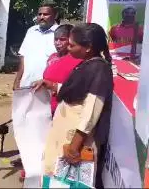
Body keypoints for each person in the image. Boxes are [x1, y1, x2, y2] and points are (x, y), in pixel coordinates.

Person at [41, 23, 113, 188]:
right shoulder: (87, 63)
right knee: (56, 178)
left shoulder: (99, 69)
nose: (68, 47)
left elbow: (91, 111)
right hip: (65, 133)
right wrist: (52, 85)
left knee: (68, 182)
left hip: (74, 138)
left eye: (72, 45)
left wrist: (74, 147)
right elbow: (77, 91)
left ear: (88, 47)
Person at [12, 0, 59, 180]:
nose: (41, 17)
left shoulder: (60, 35)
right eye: (39, 14)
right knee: (24, 123)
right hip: (26, 85)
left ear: (54, 14)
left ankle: (39, 167)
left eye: (45, 14)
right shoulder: (31, 31)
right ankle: (27, 160)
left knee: (43, 127)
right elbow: (23, 58)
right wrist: (17, 79)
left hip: (46, 88)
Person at [32, 24, 83, 115]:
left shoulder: (78, 60)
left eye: (62, 39)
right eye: (56, 39)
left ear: (71, 40)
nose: (58, 43)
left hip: (65, 109)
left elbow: (77, 88)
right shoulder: (52, 57)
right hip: (46, 107)